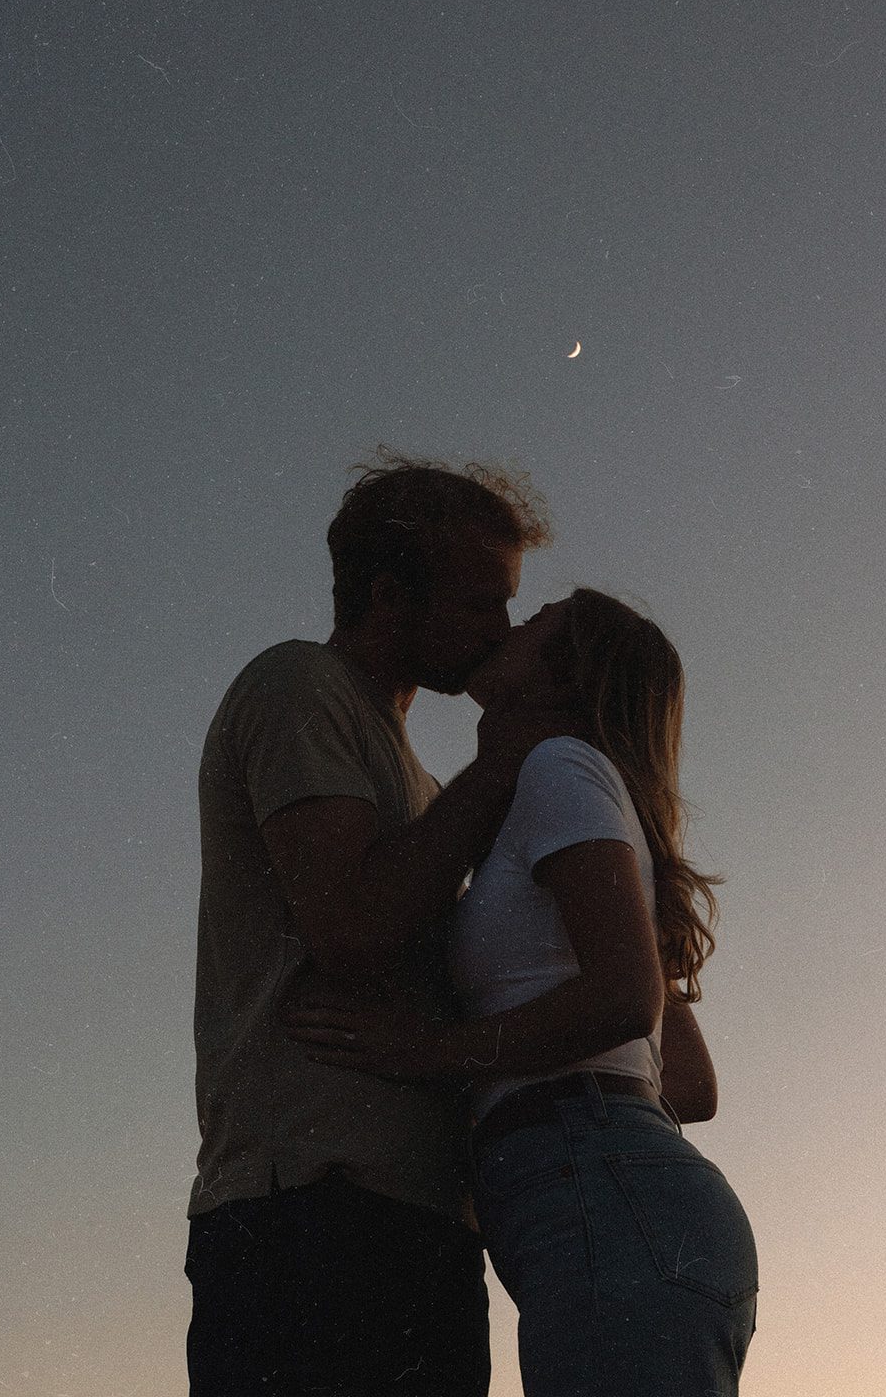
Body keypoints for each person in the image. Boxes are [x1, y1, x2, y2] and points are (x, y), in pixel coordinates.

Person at [288, 588, 759, 1397]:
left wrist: (430, 1053)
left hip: (604, 1198)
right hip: (615, 1201)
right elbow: (686, 1083)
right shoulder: (566, 799)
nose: (513, 620)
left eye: (541, 617)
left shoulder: (559, 769)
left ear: (566, 673)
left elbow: (624, 1002)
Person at [186, 449, 578, 1397]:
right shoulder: (297, 688)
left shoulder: (428, 787)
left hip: (420, 1224)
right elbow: (352, 928)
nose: (505, 626)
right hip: (309, 1209)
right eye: (482, 601)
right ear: (386, 595)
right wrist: (499, 767)